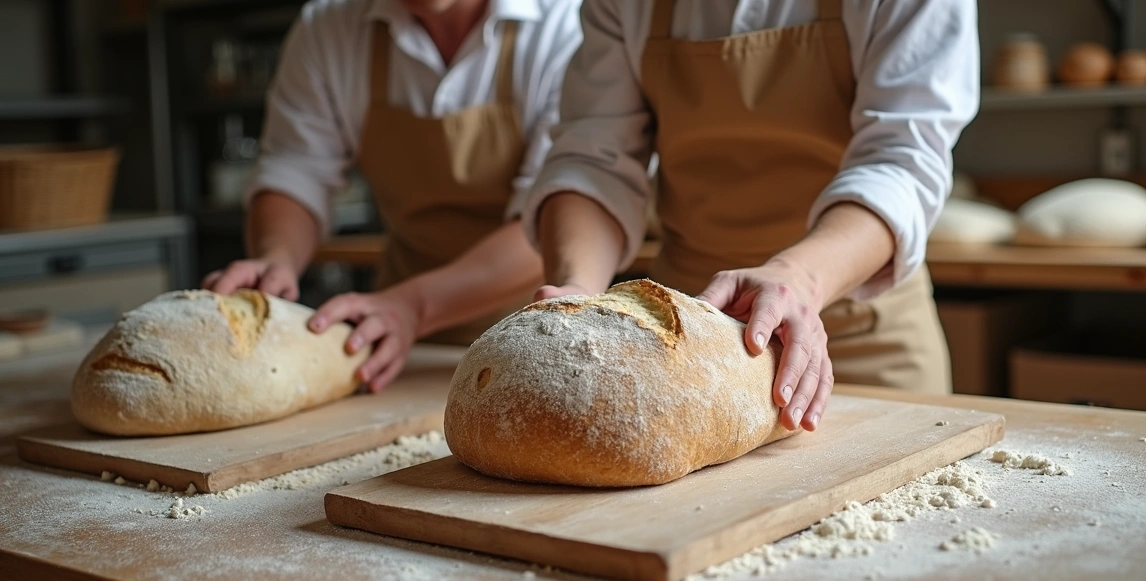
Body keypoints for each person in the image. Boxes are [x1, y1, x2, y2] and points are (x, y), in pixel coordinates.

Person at [521, 0, 979, 430]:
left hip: (864, 337)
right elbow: (595, 160)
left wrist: (796, 279)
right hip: (682, 338)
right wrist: (578, 295)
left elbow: (899, 162)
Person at [202, 0, 584, 392]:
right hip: (397, 343)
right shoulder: (330, 27)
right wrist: (275, 257)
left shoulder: (564, 23)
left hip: (537, 343)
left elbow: (557, 216)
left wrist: (415, 306)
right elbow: (297, 170)